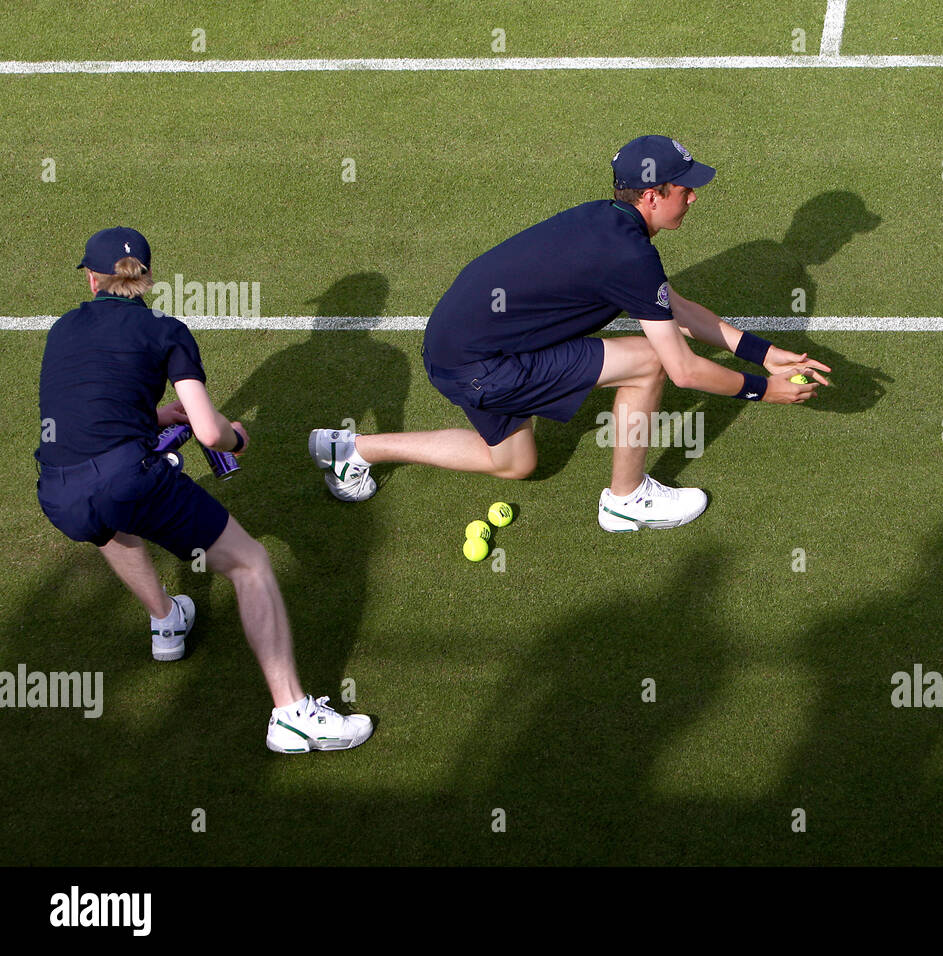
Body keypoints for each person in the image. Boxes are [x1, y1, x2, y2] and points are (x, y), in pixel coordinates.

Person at [310, 135, 831, 530]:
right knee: (648, 362)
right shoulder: (629, 254)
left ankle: (353, 450)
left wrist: (761, 353)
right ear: (653, 195)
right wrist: (765, 390)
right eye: (685, 188)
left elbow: (675, 306)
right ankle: (626, 502)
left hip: (458, 343)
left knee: (513, 463)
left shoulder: (605, 221)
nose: (693, 198)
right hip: (481, 364)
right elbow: (684, 369)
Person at [35, 226, 372, 754]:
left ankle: (166, 621)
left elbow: (83, 416)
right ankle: (293, 715)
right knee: (250, 564)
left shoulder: (61, 330)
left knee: (105, 514)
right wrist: (236, 438)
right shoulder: (167, 330)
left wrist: (150, 417)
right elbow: (211, 433)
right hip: (128, 478)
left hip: (58, 492)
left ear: (92, 278)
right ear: (146, 278)